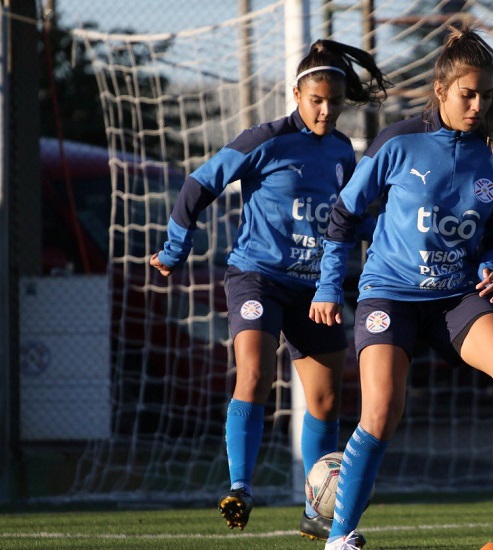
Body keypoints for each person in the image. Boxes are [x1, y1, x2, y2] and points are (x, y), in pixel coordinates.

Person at [310, 21, 493, 550]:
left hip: (455, 297)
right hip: (390, 296)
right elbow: (342, 215)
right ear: (440, 90)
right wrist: (328, 286)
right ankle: (339, 538)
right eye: (467, 95)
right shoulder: (398, 142)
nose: (477, 106)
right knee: (381, 412)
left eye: (487, 96)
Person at [149, 39, 390, 538]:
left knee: (326, 401)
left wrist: (389, 231)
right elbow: (198, 186)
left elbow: (342, 221)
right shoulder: (266, 139)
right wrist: (175, 249)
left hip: (315, 289)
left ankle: (317, 509)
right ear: (297, 93)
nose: (326, 110)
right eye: (317, 100)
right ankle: (240, 487)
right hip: (257, 276)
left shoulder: (344, 151)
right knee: (255, 372)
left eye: (335, 102)